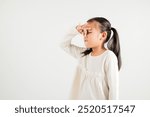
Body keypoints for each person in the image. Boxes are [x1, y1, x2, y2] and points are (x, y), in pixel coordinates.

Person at [60, 17, 122, 100]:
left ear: (103, 35)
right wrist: (76, 30)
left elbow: (113, 90)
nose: (84, 35)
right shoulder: (83, 55)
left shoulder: (108, 57)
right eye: (83, 32)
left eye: (88, 31)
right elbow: (63, 44)